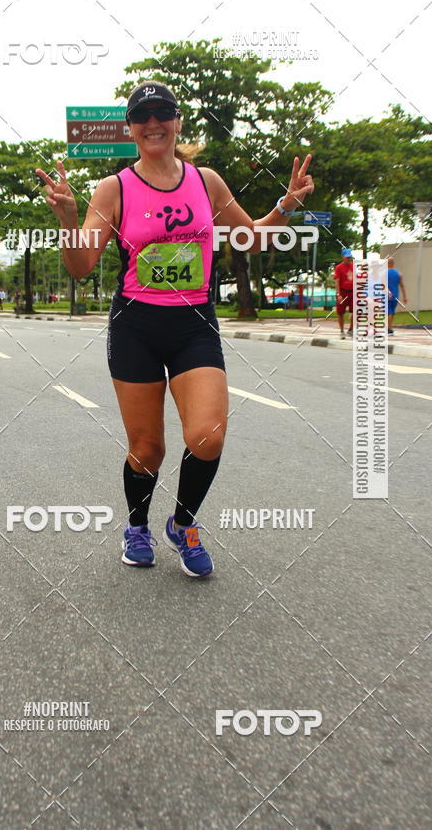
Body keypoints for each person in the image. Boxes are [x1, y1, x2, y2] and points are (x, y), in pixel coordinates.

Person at [37, 80, 314, 577]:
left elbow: (249, 238)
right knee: (148, 448)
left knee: (207, 436)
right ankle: (137, 526)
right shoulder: (114, 188)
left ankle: (183, 524)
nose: (153, 123)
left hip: (193, 324)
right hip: (136, 326)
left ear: (177, 122)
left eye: (162, 113)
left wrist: (287, 205)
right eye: (142, 117)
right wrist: (69, 219)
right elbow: (80, 266)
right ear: (131, 129)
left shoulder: (205, 181)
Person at [334, 248, 355, 339]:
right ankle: (342, 331)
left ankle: (351, 329)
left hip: (353, 292)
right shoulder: (339, 267)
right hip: (343, 292)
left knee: (355, 311)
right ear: (342, 257)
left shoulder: (354, 266)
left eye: (349, 257)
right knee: (340, 313)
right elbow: (337, 281)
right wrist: (338, 294)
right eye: (347, 257)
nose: (348, 259)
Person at [387, 257, 407, 335]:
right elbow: (402, 285)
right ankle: (390, 328)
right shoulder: (399, 273)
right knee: (392, 312)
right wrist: (405, 296)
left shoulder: (383, 273)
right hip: (395, 295)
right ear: (393, 263)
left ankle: (389, 329)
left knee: (388, 312)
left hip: (386, 295)